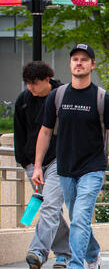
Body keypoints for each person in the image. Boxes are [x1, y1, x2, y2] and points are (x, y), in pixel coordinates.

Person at [34, 44, 109, 269]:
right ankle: (93, 253)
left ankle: (76, 265)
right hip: (65, 168)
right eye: (75, 59)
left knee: (79, 219)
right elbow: (45, 131)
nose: (79, 62)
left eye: (84, 60)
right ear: (70, 64)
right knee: (79, 220)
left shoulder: (102, 98)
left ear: (92, 65)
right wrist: (38, 165)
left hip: (93, 168)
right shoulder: (57, 96)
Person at [14, 61, 71, 269]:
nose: (30, 88)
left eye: (34, 83)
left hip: (58, 160)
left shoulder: (64, 96)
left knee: (49, 206)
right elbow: (19, 134)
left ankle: (38, 251)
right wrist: (26, 163)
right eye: (27, 83)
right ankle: (65, 254)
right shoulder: (24, 100)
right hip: (33, 165)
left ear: (47, 79)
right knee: (52, 209)